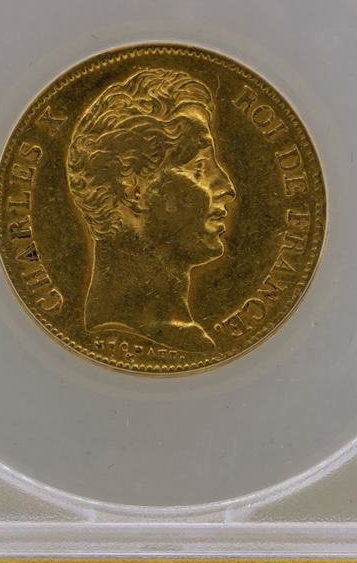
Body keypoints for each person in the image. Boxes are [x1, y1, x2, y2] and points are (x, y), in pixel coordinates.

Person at [66, 67, 236, 352]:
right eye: (199, 167)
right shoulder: (121, 334)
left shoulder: (183, 340)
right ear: (133, 189)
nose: (227, 188)